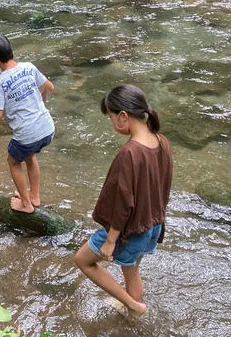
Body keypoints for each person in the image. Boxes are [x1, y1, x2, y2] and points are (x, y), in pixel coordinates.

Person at [74, 84, 173, 320]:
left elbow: (122, 203)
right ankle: (133, 314)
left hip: (131, 230)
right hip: (152, 225)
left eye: (110, 118)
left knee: (83, 260)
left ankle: (133, 305)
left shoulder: (130, 152)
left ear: (123, 116)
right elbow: (164, 186)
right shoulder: (161, 142)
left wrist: (110, 241)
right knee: (131, 268)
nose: (111, 123)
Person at [0, 33, 54, 214]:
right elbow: (49, 87)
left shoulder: (0, 82)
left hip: (28, 134)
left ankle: (27, 204)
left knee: (12, 161)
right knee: (30, 156)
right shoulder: (29, 67)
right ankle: (35, 196)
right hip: (47, 128)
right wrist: (41, 101)